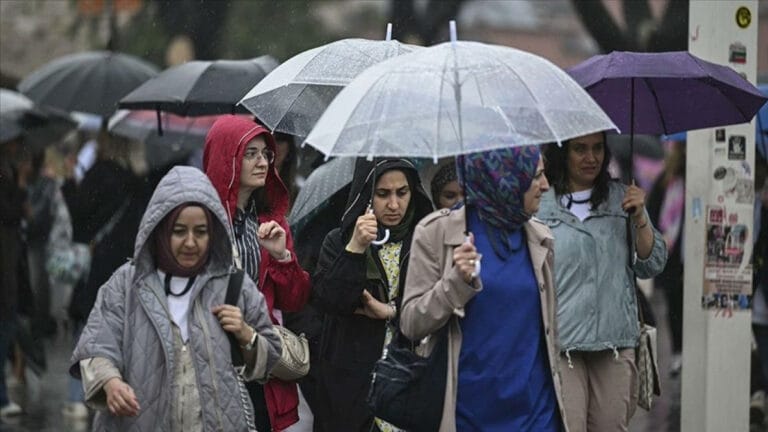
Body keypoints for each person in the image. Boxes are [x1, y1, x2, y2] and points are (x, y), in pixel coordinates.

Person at [70, 166, 281, 431]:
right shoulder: (125, 285)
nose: (190, 242)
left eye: (201, 232)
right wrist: (111, 383)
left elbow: (271, 357)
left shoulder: (235, 286)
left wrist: (246, 335)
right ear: (161, 230)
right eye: (179, 231)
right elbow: (95, 349)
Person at [400, 146, 567, 431]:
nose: (545, 185)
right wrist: (455, 283)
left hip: (538, 415)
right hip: (468, 416)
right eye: (536, 175)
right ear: (506, 178)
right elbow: (411, 323)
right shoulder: (435, 233)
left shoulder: (539, 236)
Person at [539, 132, 667, 432]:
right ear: (562, 153)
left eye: (597, 148)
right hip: (562, 345)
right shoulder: (542, 205)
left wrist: (640, 218)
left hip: (615, 344)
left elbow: (652, 264)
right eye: (580, 149)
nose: (591, 158)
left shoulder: (624, 199)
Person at [203, 115, 312, 431]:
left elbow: (295, 300)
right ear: (227, 156)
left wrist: (281, 257)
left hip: (257, 364)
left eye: (266, 154)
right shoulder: (199, 222)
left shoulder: (271, 223)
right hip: (209, 363)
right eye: (250, 154)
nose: (263, 162)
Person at [312, 158, 433, 432]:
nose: (394, 205)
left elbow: (436, 304)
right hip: (352, 388)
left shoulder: (425, 241)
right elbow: (330, 300)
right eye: (382, 194)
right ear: (366, 195)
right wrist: (355, 247)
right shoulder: (339, 241)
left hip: (409, 381)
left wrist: (391, 311)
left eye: (402, 192)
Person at [647, 134, 686, 377]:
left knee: (679, 304)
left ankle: (682, 351)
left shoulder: (693, 180)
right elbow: (653, 212)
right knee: (674, 304)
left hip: (683, 256)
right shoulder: (667, 180)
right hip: (671, 257)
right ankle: (678, 352)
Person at [0, 136, 30, 418]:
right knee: (6, 325)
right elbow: (8, 213)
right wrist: (20, 186)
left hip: (9, 259)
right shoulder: (4, 173)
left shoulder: (6, 169)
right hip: (4, 262)